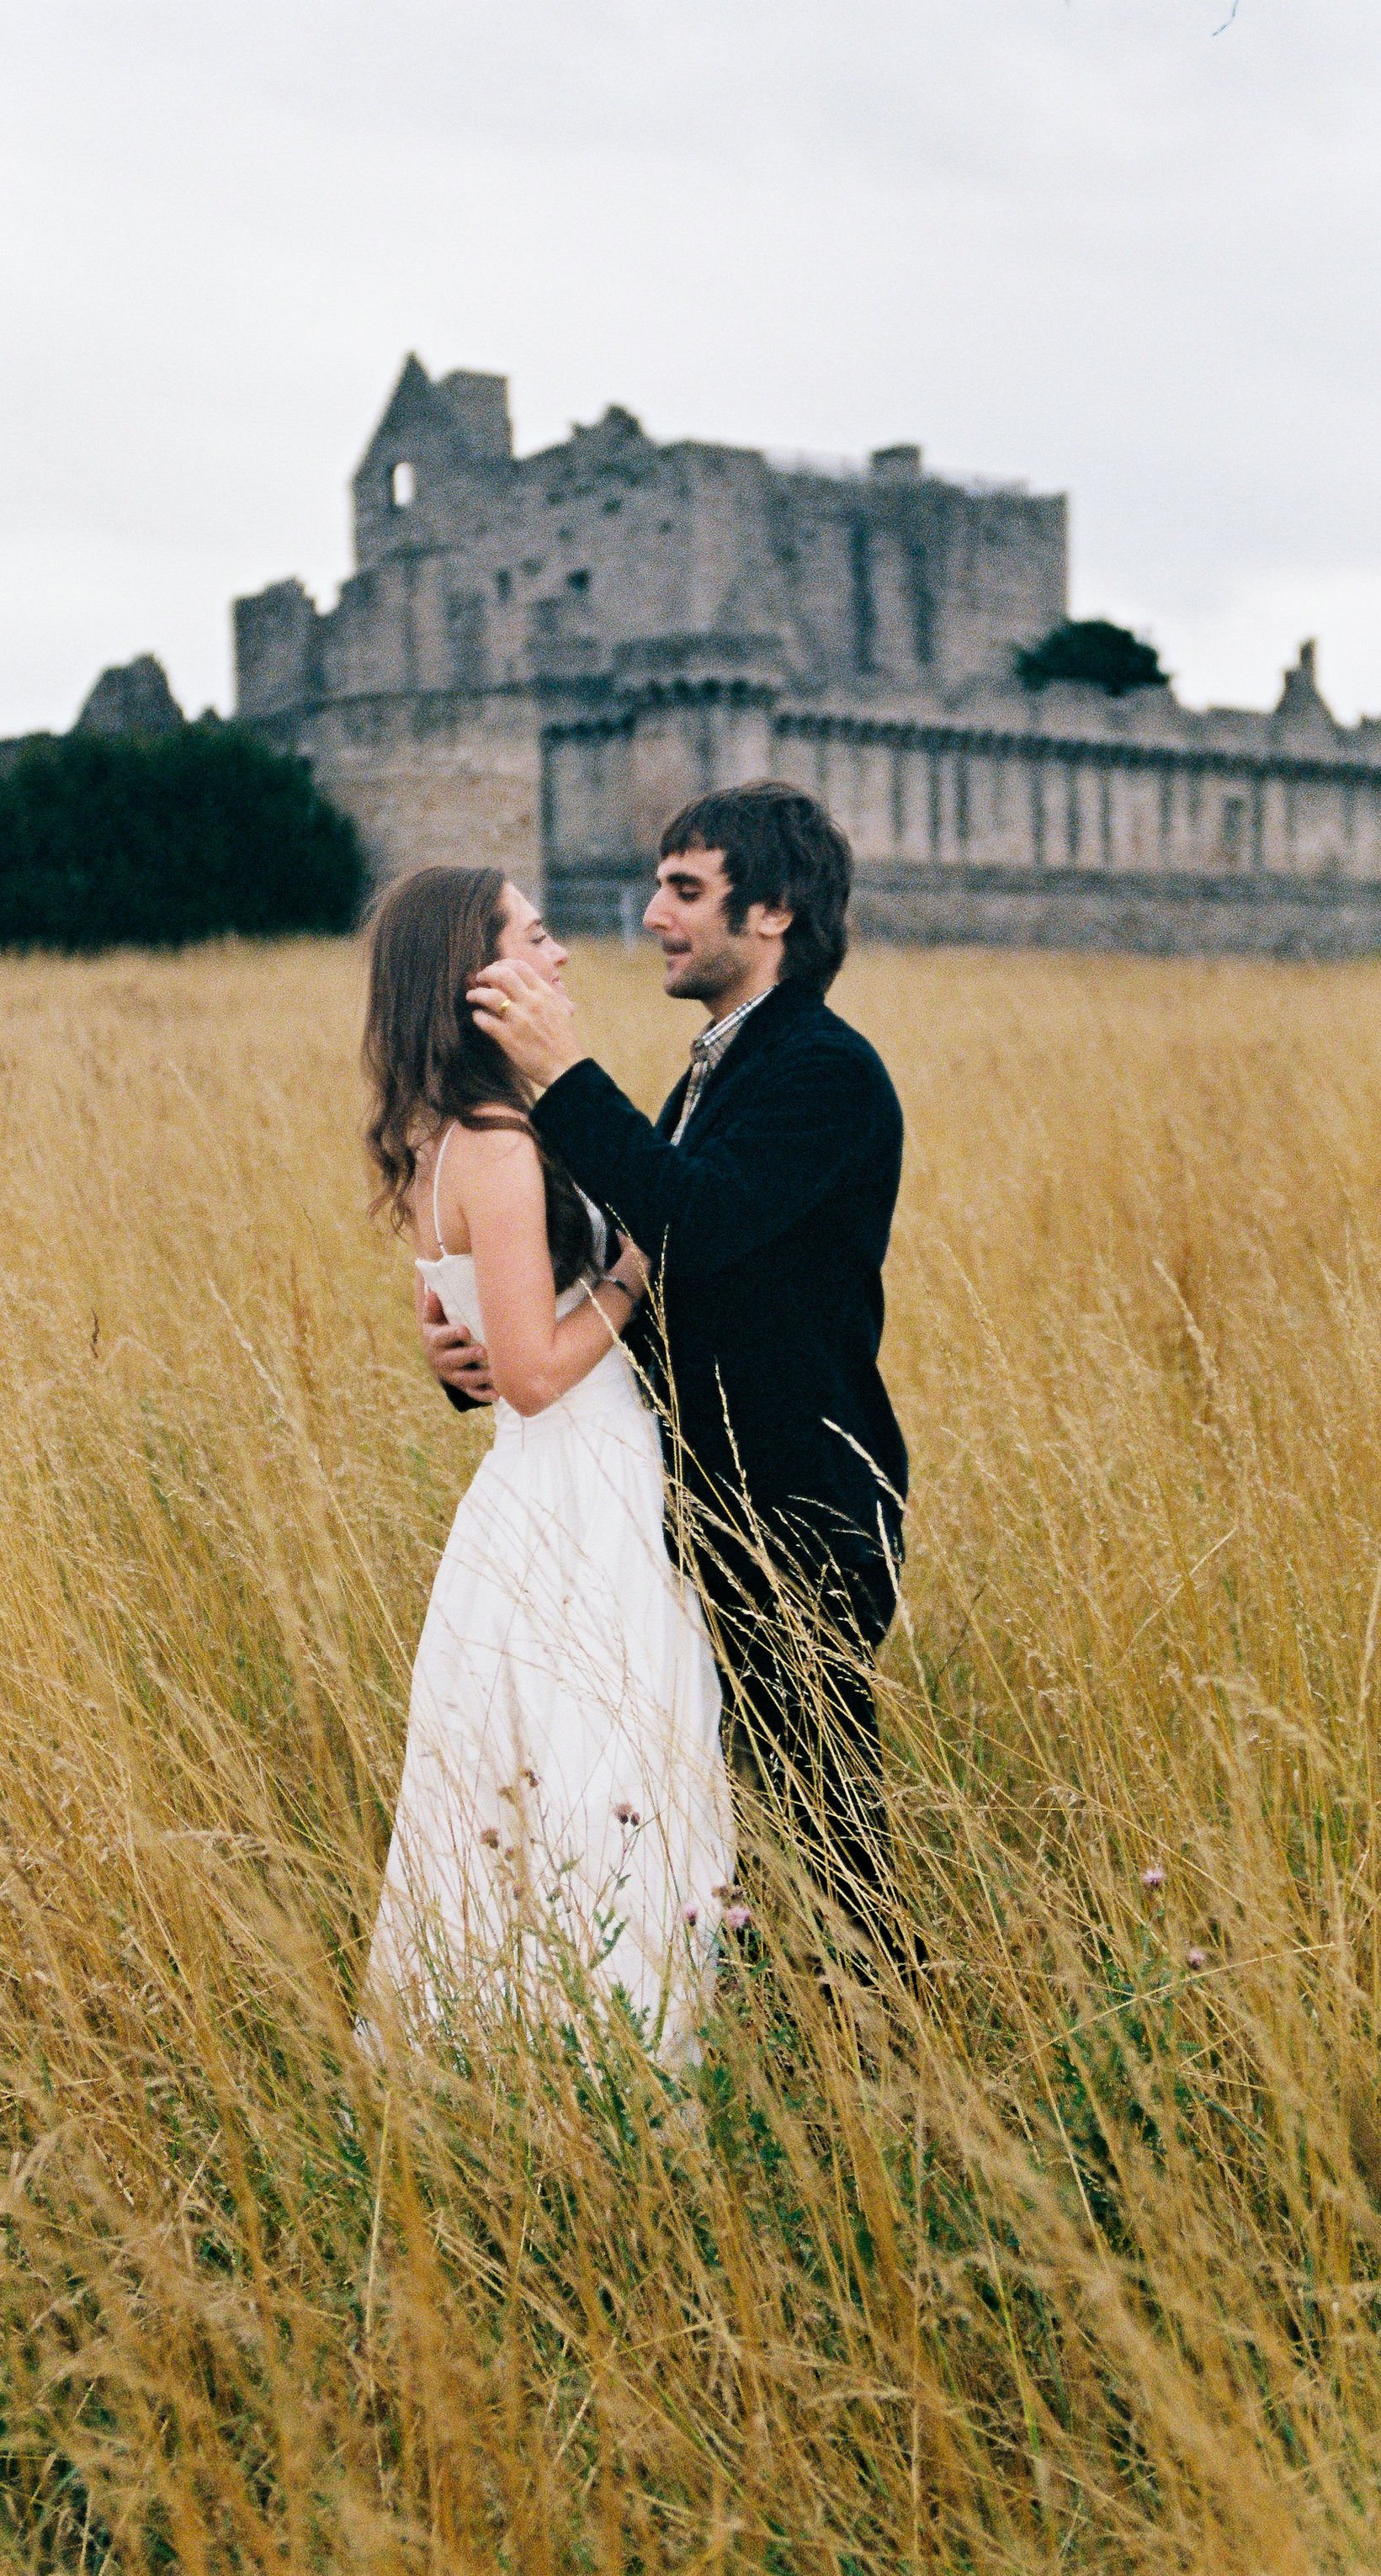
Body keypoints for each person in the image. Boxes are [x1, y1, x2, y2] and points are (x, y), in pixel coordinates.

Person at [432, 780, 910, 1964]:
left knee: (829, 1830)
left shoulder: (826, 1071)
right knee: (718, 1826)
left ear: (775, 912)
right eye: (661, 885)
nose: (652, 914)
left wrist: (563, 1073)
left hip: (796, 1507)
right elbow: (645, 1277)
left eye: (686, 890)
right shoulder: (716, 1068)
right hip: (701, 1509)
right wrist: (479, 1351)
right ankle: (780, 2047)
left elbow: (695, 1225)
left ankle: (896, 2070)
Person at [359, 863, 735, 2063]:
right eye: (535, 935)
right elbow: (525, 1369)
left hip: (545, 1486)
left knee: (546, 1784)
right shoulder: (501, 1147)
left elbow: (476, 1335)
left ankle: (525, 2058)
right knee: (598, 1777)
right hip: (577, 1488)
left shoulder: (449, 1138)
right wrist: (634, 1269)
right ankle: (606, 2066)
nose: (564, 952)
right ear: (474, 978)